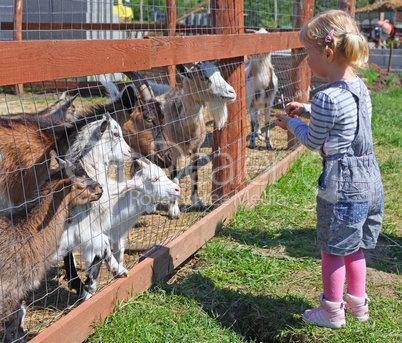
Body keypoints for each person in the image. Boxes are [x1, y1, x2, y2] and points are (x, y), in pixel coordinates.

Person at [275, 10, 384, 329]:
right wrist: (307, 109)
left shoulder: (326, 98)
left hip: (343, 186)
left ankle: (332, 311)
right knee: (355, 247)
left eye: (307, 52)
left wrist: (294, 122)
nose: (305, 59)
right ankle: (358, 305)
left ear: (326, 52)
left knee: (333, 250)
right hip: (370, 180)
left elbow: (312, 139)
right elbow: (348, 119)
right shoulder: (360, 87)